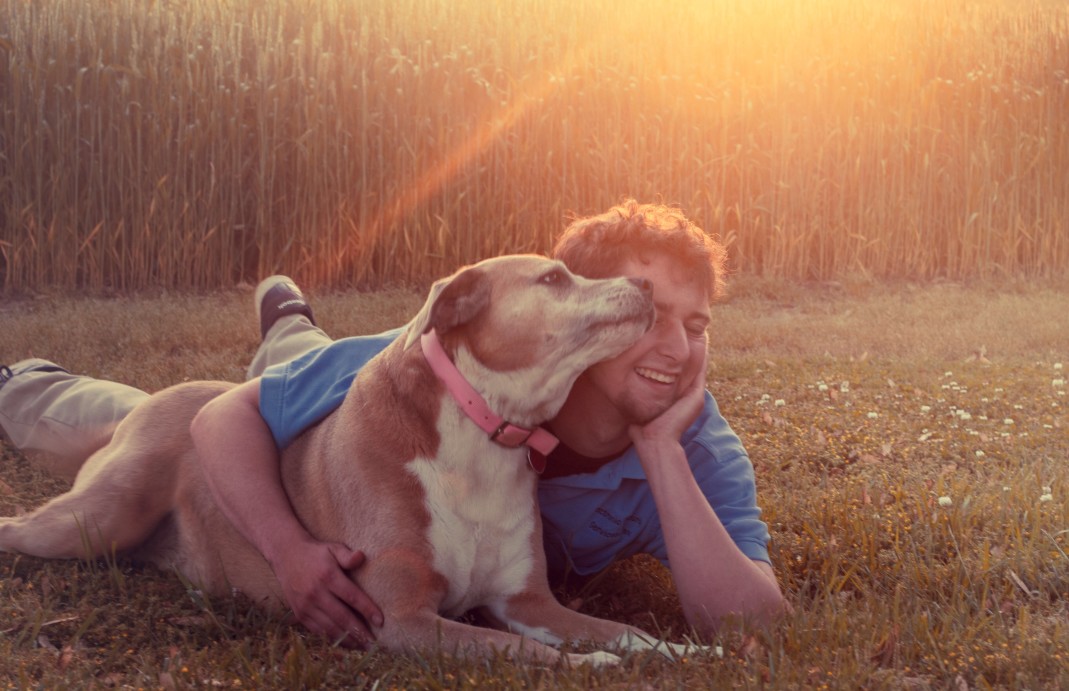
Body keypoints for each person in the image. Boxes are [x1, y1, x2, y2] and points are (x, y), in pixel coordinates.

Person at [0, 200, 785, 647]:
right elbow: (218, 419)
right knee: (133, 423)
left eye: (696, 323)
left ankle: (289, 324)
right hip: (235, 418)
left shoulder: (690, 436)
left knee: (276, 372)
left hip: (311, 418)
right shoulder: (430, 358)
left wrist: (659, 449)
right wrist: (289, 551)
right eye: (643, 300)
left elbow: (757, 625)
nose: (669, 341)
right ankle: (21, 380)